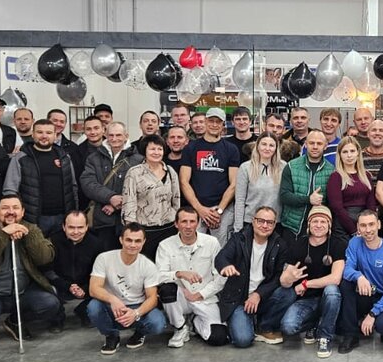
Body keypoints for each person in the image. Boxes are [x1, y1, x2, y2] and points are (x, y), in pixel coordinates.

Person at [0, 194, 63, 348]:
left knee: (50, 304)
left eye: (15, 208)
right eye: (5, 208)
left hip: (22, 292)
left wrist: (28, 236)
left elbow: (45, 258)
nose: (11, 212)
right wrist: (3, 234)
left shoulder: (31, 228)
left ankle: (15, 321)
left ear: (22, 212)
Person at [215, 206, 294, 348]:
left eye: (269, 222)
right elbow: (221, 257)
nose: (265, 225)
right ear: (253, 221)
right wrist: (225, 266)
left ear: (274, 225)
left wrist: (258, 294)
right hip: (239, 299)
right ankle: (245, 320)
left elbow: (277, 277)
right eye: (261, 221)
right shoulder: (239, 239)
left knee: (288, 293)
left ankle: (264, 326)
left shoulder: (279, 244)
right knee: (243, 340)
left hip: (263, 297)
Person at [85, 224, 166, 354]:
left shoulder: (148, 266)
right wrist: (113, 300)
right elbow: (94, 289)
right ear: (121, 240)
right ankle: (111, 335)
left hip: (136, 306)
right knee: (93, 307)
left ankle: (140, 333)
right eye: (129, 240)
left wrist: (136, 313)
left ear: (144, 242)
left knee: (158, 323)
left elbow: (152, 298)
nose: (133, 245)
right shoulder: (104, 258)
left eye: (137, 241)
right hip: (111, 306)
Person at [276, 205, 345, 356]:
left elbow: (335, 278)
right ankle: (314, 324)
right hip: (306, 300)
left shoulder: (337, 244)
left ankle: (325, 337)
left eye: (323, 221)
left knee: (332, 290)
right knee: (288, 327)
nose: (319, 225)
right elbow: (284, 280)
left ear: (329, 225)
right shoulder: (298, 245)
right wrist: (289, 279)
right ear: (309, 224)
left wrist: (306, 284)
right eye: (315, 221)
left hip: (329, 298)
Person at [157, 206, 229, 347]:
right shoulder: (165, 245)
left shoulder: (212, 243)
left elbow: (221, 276)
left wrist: (201, 294)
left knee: (219, 338)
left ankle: (195, 322)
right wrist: (179, 273)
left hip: (205, 297)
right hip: (180, 298)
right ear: (176, 224)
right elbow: (158, 276)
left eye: (192, 221)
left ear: (198, 223)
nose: (188, 226)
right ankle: (180, 327)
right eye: (184, 221)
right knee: (166, 289)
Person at [337, 211, 383, 353]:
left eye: (371, 224)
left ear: (379, 225)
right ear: (358, 228)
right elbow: (347, 269)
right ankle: (350, 335)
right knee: (346, 284)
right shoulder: (354, 243)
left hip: (382, 297)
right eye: (363, 225)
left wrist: (373, 314)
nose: (367, 230)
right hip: (364, 292)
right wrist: (359, 276)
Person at [3, 118, 79, 236]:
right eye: (39, 132)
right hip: (33, 219)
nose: (44, 136)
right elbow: (10, 190)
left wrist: (74, 213)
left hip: (63, 218)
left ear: (55, 135)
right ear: (33, 134)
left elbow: (73, 186)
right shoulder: (21, 158)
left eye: (48, 133)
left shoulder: (65, 158)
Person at [179, 108, 241, 246]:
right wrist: (200, 209)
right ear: (206, 122)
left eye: (218, 122)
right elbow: (184, 181)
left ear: (223, 124)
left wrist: (219, 210)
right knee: (192, 247)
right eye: (211, 121)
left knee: (221, 249)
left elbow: (234, 184)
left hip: (222, 210)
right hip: (196, 209)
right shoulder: (191, 148)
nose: (214, 124)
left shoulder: (231, 149)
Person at [122, 134, 180, 259]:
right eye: (152, 149)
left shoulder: (170, 171)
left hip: (169, 228)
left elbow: (176, 200)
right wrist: (131, 230)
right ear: (145, 151)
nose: (156, 152)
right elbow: (129, 202)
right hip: (145, 230)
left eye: (160, 149)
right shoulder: (134, 172)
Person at [81, 122, 137, 244]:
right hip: (102, 220)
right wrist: (110, 197)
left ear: (126, 136)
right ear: (105, 135)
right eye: (111, 135)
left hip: (128, 221)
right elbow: (88, 183)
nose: (114, 139)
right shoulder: (93, 158)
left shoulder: (138, 159)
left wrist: (117, 204)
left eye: (118, 135)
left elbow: (140, 188)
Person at [46, 210, 104, 323]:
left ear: (86, 227)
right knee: (44, 289)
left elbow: (99, 273)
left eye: (80, 227)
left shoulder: (97, 244)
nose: (76, 232)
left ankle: (84, 311)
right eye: (71, 227)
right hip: (59, 285)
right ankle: (57, 318)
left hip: (85, 286)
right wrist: (67, 286)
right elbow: (48, 271)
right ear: (64, 227)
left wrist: (85, 288)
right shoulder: (52, 241)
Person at [279, 129, 335, 236]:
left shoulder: (331, 170)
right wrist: (308, 199)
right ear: (305, 144)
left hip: (318, 229)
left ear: (325, 146)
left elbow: (332, 203)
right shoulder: (291, 166)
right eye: (311, 143)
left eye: (319, 143)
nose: (315, 147)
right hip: (292, 227)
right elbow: (284, 196)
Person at [234, 134, 285, 233]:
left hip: (274, 223)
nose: (267, 148)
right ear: (257, 146)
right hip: (251, 222)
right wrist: (238, 229)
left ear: (276, 148)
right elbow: (240, 200)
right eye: (264, 144)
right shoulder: (245, 168)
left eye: (271, 145)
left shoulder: (283, 167)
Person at [327, 136, 375, 238]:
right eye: (345, 152)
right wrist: (354, 230)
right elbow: (337, 207)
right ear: (340, 155)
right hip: (343, 226)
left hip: (365, 224)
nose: (349, 155)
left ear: (358, 153)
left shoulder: (366, 175)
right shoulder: (336, 177)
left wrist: (369, 224)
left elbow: (371, 203)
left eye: (352, 151)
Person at [69, 114, 106, 192]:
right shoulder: (76, 153)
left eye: (96, 128)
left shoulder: (114, 148)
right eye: (88, 129)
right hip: (86, 196)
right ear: (84, 131)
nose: (92, 132)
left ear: (103, 129)